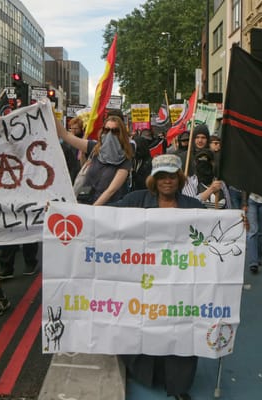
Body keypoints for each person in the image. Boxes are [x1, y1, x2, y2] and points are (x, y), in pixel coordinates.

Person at [113, 154, 204, 400]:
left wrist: (237, 225)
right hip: (146, 280)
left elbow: (215, 232)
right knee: (145, 325)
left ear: (179, 178)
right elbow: (103, 220)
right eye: (162, 176)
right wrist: (65, 211)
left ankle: (178, 385)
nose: (167, 181)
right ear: (153, 179)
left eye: (172, 176)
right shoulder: (137, 200)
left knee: (182, 328)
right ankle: (142, 370)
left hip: (181, 281)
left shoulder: (193, 206)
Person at [57, 115, 133, 205]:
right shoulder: (95, 148)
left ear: (121, 133)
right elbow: (66, 135)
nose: (110, 134)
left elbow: (111, 190)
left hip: (107, 208)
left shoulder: (125, 158)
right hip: (85, 202)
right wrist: (50, 110)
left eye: (114, 131)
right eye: (107, 130)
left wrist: (93, 210)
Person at [245, 193, 262, 273]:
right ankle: (253, 262)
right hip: (251, 201)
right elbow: (245, 184)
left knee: (261, 232)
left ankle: (258, 258)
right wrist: (244, 203)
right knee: (253, 230)